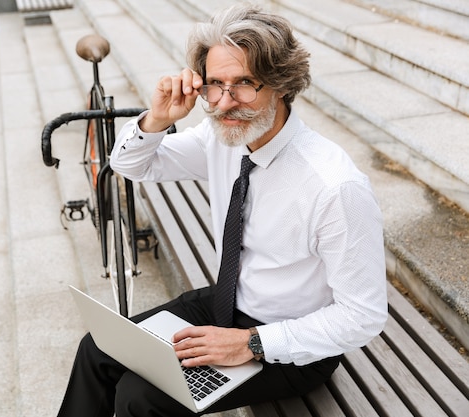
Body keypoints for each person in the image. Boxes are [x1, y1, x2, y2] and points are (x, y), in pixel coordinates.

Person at [57, 3, 387, 416]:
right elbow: (130, 164)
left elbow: (363, 315)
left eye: (245, 83)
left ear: (282, 83)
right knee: (98, 348)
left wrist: (251, 343)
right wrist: (157, 119)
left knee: (139, 396)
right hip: (225, 305)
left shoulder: (335, 188)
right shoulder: (223, 139)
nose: (225, 103)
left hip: (294, 344)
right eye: (215, 84)